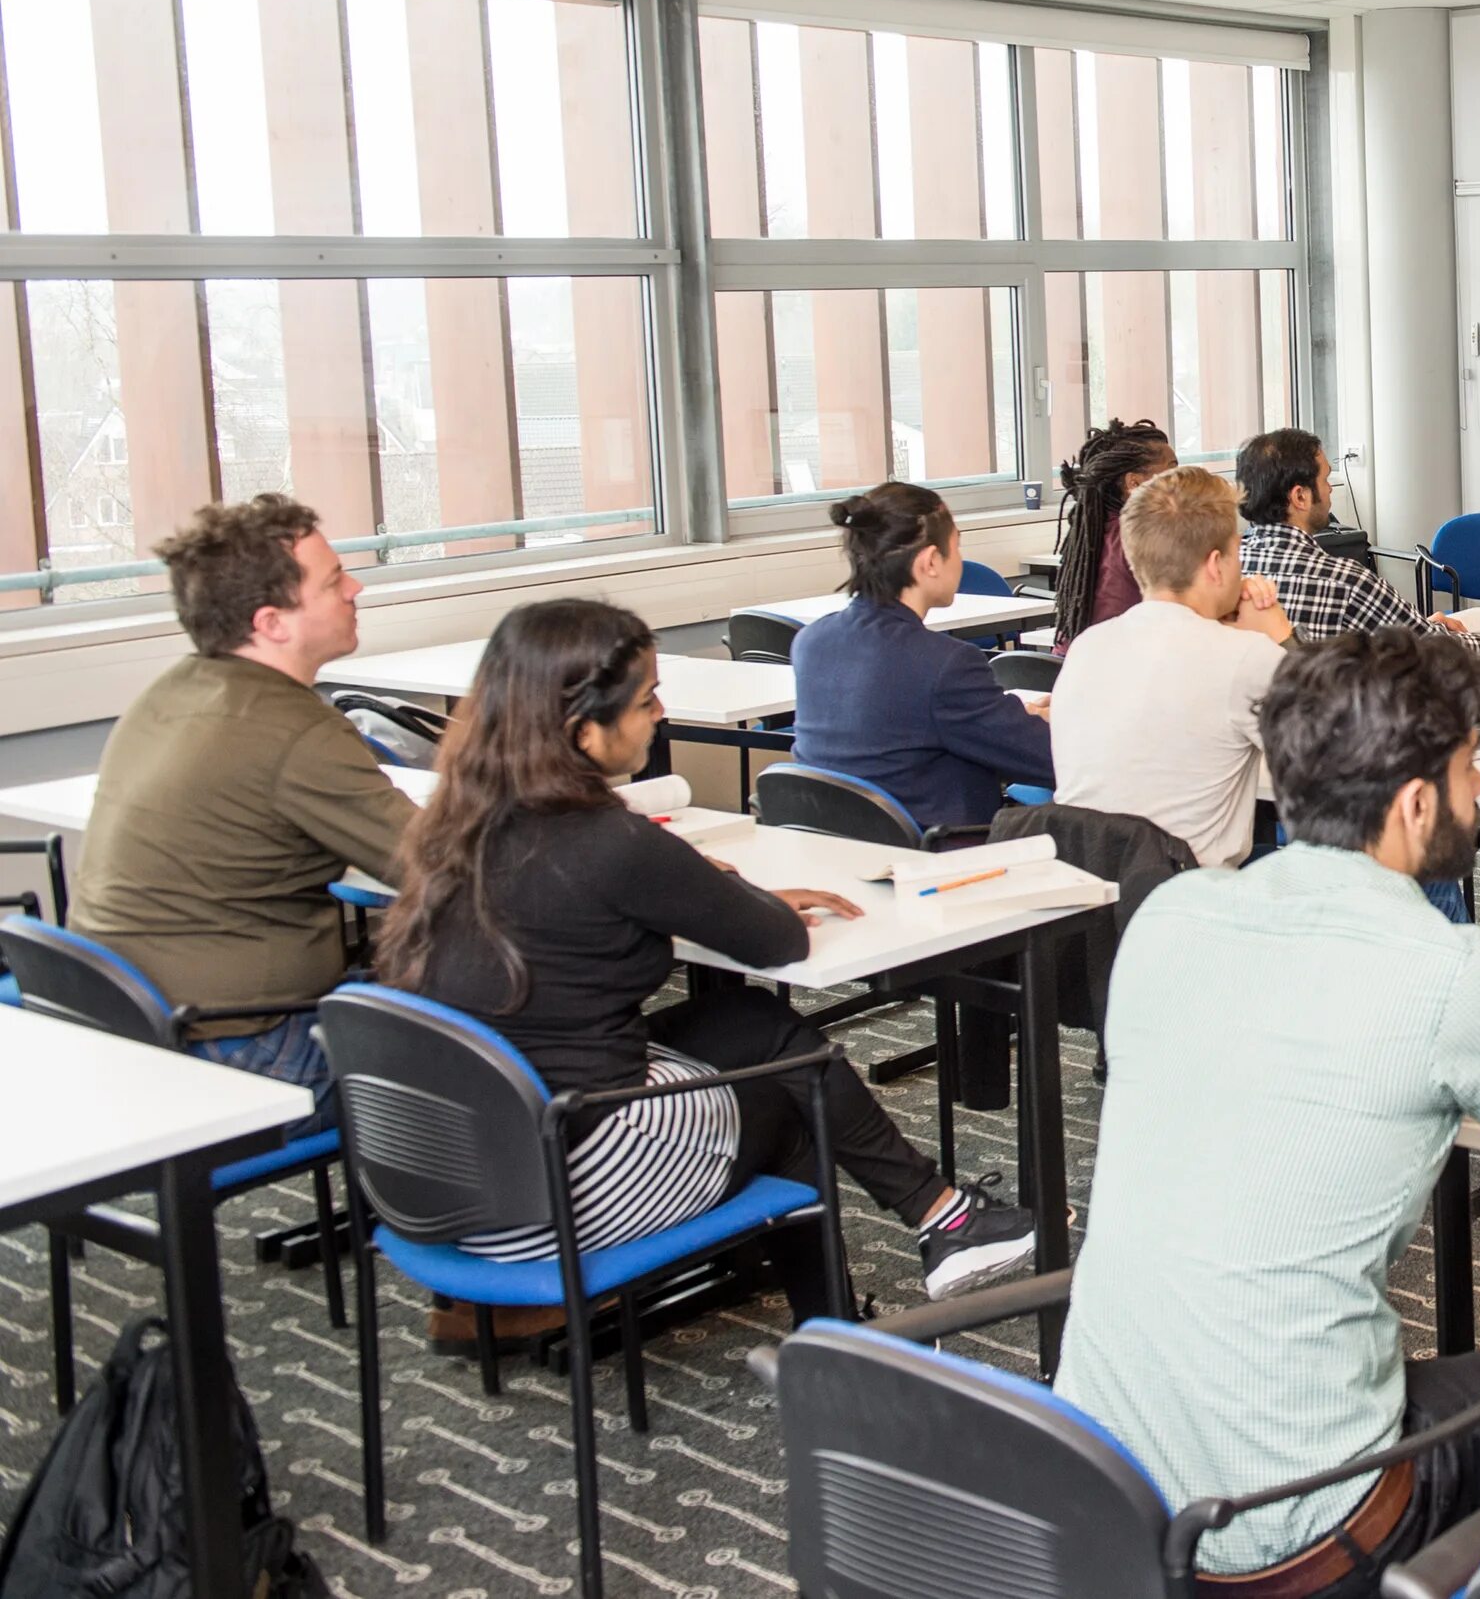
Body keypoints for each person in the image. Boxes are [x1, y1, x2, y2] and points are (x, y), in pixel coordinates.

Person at [1058, 629, 1480, 1596]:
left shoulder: (1173, 912)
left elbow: (1301, 1030)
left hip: (1104, 1494)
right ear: (1413, 804)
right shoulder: (1450, 975)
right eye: (1470, 766)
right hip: (1298, 1525)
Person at [375, 599, 1038, 1309]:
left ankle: (936, 1226)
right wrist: (721, 884)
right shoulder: (611, 842)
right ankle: (848, 1322)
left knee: (755, 1024)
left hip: (447, 1169)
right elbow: (775, 939)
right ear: (582, 730)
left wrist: (693, 883)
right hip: (554, 1196)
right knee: (796, 1091)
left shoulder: (452, 825)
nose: (659, 711)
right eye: (644, 698)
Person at [75, 494, 418, 1121]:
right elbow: (443, 866)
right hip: (239, 1050)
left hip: (128, 1028)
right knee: (486, 1057)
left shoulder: (172, 690)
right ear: (272, 623)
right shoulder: (294, 730)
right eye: (334, 579)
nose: (356, 588)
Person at [1049, 465, 1293, 869]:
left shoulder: (1086, 647)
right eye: (1237, 553)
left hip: (1097, 903)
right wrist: (1280, 635)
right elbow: (1342, 753)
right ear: (1216, 564)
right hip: (1195, 904)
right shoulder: (1246, 657)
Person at [790, 481, 1053, 833]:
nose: (960, 561)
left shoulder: (811, 641)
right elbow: (1048, 758)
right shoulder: (945, 663)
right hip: (942, 858)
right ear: (930, 561)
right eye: (957, 548)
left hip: (837, 849)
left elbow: (903, 726)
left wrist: (1011, 715)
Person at [1236, 426, 1480, 662]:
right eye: (1325, 479)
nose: (1329, 490)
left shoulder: (1225, 575)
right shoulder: (1345, 582)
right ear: (1300, 497)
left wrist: (1414, 628)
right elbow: (1438, 654)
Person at [1051, 418, 1179, 653]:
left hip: (1074, 669)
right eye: (1171, 470)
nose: (1181, 480)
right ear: (1134, 483)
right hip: (1120, 670)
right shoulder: (1142, 539)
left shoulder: (1091, 533)